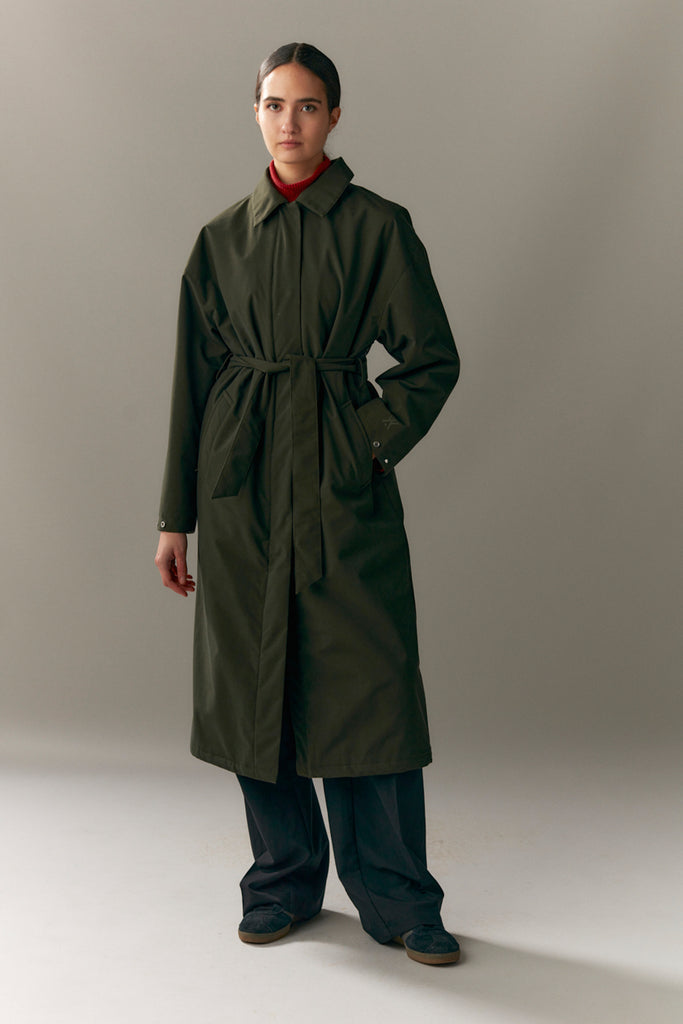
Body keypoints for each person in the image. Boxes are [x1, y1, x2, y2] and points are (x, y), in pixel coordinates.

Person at [155, 42, 461, 966]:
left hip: (337, 483)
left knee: (367, 683)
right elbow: (191, 385)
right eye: (274, 104)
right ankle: (281, 882)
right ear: (254, 112)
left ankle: (398, 899)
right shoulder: (220, 239)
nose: (289, 122)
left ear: (334, 117)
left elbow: (430, 358)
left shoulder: (378, 227)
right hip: (241, 485)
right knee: (260, 684)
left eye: (308, 105)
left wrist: (364, 440)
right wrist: (175, 517)